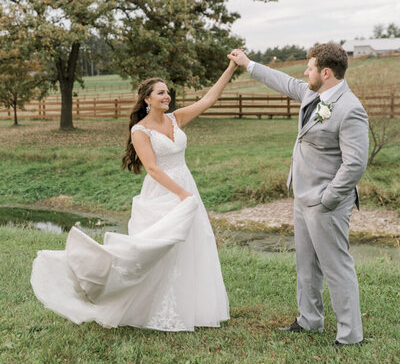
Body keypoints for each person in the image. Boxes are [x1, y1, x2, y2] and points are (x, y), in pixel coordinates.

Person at [31, 60, 237, 331]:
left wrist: (232, 66)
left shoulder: (176, 119)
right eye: (161, 93)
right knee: (156, 249)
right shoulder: (139, 130)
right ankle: (141, 305)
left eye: (168, 92)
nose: (167, 97)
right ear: (147, 100)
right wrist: (182, 194)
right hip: (163, 191)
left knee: (191, 244)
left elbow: (210, 98)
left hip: (185, 184)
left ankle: (191, 307)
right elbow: (152, 168)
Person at [228, 43, 369, 346]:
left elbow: (355, 163)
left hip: (326, 202)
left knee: (336, 267)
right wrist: (248, 63)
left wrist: (328, 198)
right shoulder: (311, 93)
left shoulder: (350, 108)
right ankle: (309, 320)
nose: (305, 72)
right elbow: (284, 82)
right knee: (306, 264)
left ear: (326, 72)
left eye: (310, 67)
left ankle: (350, 335)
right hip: (302, 196)